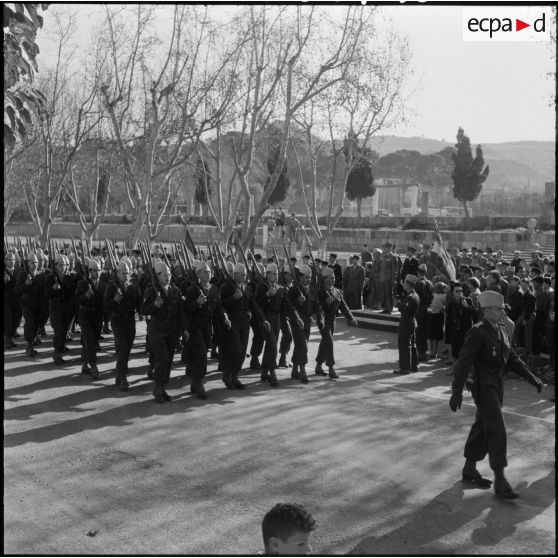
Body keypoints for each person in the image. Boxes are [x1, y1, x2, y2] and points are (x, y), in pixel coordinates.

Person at [449, 290, 544, 499]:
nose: (502, 312)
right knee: (497, 429)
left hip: (497, 384)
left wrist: (532, 378)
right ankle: (500, 479)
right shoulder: (478, 331)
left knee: (483, 426)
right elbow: (463, 363)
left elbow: (512, 359)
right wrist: (456, 391)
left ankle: (469, 468)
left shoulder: (501, 330)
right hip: (483, 386)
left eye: (503, 308)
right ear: (487, 310)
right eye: (498, 309)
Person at [142, 261, 189, 403]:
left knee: (168, 360)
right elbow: (144, 310)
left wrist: (185, 329)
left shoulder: (175, 290)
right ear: (157, 276)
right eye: (164, 275)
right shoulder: (151, 290)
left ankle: (162, 387)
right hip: (157, 329)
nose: (168, 277)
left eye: (169, 275)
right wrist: (154, 306)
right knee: (162, 358)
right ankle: (157, 388)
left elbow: (181, 312)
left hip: (171, 330)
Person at [104, 260, 142, 391]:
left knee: (127, 348)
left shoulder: (133, 286)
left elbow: (139, 302)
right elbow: (106, 305)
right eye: (124, 273)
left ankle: (120, 373)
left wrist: (146, 311)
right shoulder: (112, 286)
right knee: (123, 347)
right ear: (118, 273)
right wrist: (114, 300)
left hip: (130, 321)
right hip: (117, 320)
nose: (126, 275)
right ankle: (122, 376)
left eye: (128, 272)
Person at [315, 267, 358, 379]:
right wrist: (325, 302)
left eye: (334, 277)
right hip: (323, 320)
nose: (333, 279)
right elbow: (317, 308)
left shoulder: (337, 291)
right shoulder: (320, 291)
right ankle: (331, 368)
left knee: (325, 342)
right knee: (329, 342)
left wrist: (350, 317)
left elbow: (343, 306)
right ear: (324, 279)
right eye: (330, 278)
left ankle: (318, 366)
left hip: (333, 320)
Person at [74, 258, 105, 379]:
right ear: (90, 271)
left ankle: (84, 364)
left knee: (90, 341)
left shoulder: (103, 284)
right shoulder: (83, 283)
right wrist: (85, 296)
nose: (97, 273)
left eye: (99, 270)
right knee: (90, 342)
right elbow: (76, 300)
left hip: (97, 317)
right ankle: (93, 365)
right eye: (95, 271)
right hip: (85, 315)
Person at [393, 274, 420, 374]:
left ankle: (405, 368)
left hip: (406, 321)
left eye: (404, 282)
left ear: (408, 284)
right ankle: (414, 365)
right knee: (412, 344)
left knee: (404, 344)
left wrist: (398, 304)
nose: (403, 284)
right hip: (411, 321)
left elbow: (404, 310)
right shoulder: (414, 295)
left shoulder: (410, 297)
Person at [414, 263, 433, 362]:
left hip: (419, 310)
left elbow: (416, 298)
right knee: (425, 333)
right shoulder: (430, 283)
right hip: (427, 309)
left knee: (419, 333)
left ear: (418, 272)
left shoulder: (418, 283)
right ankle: (424, 353)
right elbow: (431, 297)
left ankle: (421, 354)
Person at [427, 281, 448, 359]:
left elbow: (428, 303)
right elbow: (446, 306)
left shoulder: (433, 294)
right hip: (439, 316)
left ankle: (431, 352)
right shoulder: (444, 296)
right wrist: (442, 309)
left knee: (430, 335)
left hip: (431, 315)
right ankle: (435, 353)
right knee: (436, 336)